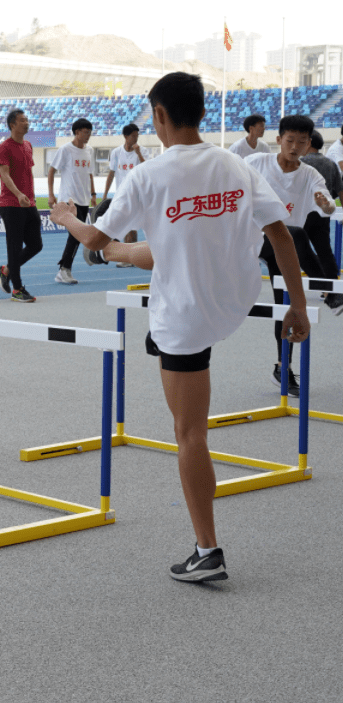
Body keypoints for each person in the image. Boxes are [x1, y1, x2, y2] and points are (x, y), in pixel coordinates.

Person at [52, 71, 310, 583]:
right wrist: (296, 309)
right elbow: (281, 237)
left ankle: (207, 550)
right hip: (234, 298)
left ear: (160, 116)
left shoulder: (149, 174)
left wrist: (65, 217)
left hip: (187, 315)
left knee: (189, 432)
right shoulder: (235, 164)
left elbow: (95, 243)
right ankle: (143, 261)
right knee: (158, 248)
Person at [244, 115, 336, 394]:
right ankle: (331, 291)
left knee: (285, 309)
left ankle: (282, 367)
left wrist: (326, 205)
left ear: (309, 145)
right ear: (279, 140)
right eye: (290, 140)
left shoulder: (310, 175)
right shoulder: (255, 164)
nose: (295, 147)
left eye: (302, 142)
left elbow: (328, 206)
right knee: (294, 232)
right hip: (253, 239)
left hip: (283, 253)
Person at [0, 108, 42, 302]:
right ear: (12, 124)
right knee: (14, 247)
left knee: (36, 245)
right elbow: (4, 174)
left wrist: (31, 197)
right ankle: (17, 289)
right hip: (11, 203)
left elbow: (28, 174)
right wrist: (19, 194)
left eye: (27, 120)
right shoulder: (4, 147)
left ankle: (5, 270)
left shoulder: (28, 145)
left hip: (28, 203)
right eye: (22, 120)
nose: (26, 123)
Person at [48, 117, 97, 284]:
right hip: (69, 200)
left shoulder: (89, 150)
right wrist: (51, 194)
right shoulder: (65, 150)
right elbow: (52, 171)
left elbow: (90, 173)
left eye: (90, 132)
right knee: (75, 236)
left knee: (77, 236)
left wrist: (93, 194)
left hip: (83, 200)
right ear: (77, 132)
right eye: (85, 132)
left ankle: (65, 269)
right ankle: (63, 270)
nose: (88, 135)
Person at [302, 130, 343, 300]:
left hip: (303, 213)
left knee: (300, 250)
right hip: (323, 213)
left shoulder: (300, 162)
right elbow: (340, 190)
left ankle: (320, 282)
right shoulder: (330, 163)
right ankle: (332, 286)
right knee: (325, 250)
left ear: (309, 143)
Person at [102, 123, 147, 266]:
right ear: (126, 137)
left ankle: (130, 258)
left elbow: (147, 169)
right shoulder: (116, 152)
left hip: (137, 193)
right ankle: (130, 256)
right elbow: (111, 172)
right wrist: (105, 193)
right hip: (121, 194)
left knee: (131, 225)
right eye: (133, 136)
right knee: (124, 224)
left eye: (137, 136)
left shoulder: (142, 151)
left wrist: (139, 153)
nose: (136, 138)